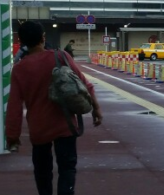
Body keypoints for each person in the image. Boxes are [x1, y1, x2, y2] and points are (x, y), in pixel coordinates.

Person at [5, 21, 103, 195]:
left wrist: (12, 135)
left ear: (22, 41)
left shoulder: (19, 69)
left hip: (39, 129)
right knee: (67, 169)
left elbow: (14, 106)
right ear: (43, 38)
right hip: (65, 124)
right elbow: (84, 84)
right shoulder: (61, 56)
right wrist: (96, 108)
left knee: (42, 173)